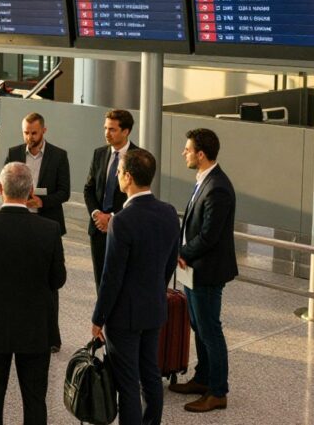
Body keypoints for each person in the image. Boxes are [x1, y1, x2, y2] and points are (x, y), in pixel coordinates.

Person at [0, 163, 66, 425]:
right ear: (30, 190)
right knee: (34, 399)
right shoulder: (49, 229)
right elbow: (58, 279)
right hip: (35, 327)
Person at [91, 149, 181, 425]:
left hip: (124, 316)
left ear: (128, 177)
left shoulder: (122, 220)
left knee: (127, 383)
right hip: (154, 308)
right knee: (151, 375)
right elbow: (169, 263)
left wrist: (98, 318)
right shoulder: (169, 213)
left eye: (119, 172)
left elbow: (111, 277)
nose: (117, 176)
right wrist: (155, 288)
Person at [170, 128, 238, 413]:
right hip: (194, 268)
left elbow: (209, 236)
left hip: (207, 271)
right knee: (199, 326)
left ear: (201, 154)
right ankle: (203, 378)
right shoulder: (204, 181)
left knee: (210, 329)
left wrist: (181, 253)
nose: (184, 153)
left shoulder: (218, 187)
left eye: (188, 149)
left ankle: (218, 391)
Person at [4, 112, 70, 352]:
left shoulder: (59, 156)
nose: (29, 137)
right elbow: (5, 187)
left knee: (49, 284)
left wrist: (43, 203)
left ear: (44, 131)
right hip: (18, 225)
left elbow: (64, 191)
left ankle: (52, 336)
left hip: (47, 226)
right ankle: (20, 331)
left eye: (33, 132)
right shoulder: (13, 154)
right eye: (25, 132)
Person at [83, 108, 138, 289]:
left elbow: (137, 196)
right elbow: (89, 188)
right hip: (98, 228)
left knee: (121, 282)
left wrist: (113, 218)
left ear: (126, 131)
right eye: (105, 128)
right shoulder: (99, 154)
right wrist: (97, 214)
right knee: (101, 282)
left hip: (122, 229)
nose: (107, 133)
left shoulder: (138, 158)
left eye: (112, 129)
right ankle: (103, 317)